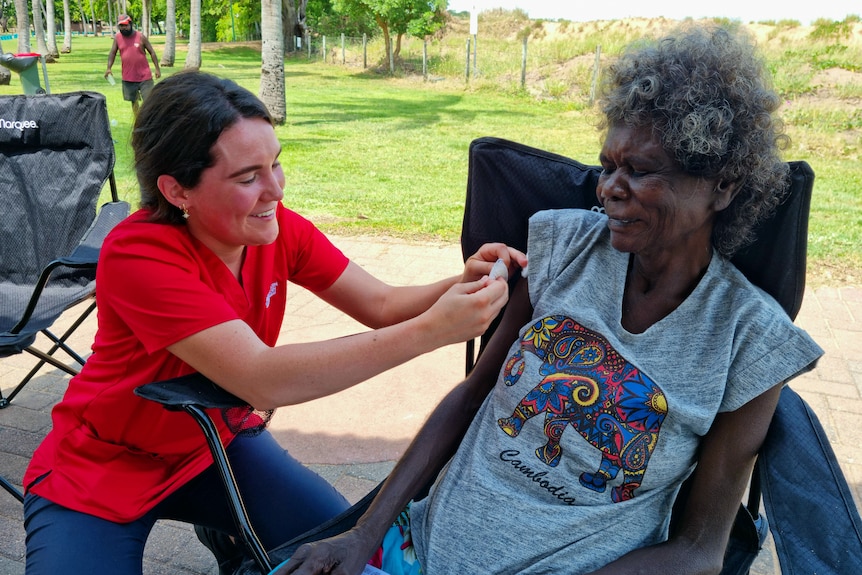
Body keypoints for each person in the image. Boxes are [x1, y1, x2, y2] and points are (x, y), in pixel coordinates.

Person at [281, 23, 824, 575]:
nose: (609, 187)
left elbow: (700, 551)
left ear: (724, 185)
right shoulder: (563, 246)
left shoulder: (750, 339)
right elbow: (473, 395)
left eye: (639, 171)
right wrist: (360, 533)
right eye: (609, 166)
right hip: (415, 548)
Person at [22, 70, 525, 575]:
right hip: (104, 465)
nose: (276, 190)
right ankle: (234, 537)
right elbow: (261, 377)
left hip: (213, 446)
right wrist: (432, 331)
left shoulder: (275, 232)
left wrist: (462, 282)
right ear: (177, 191)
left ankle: (231, 539)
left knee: (346, 550)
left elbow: (383, 303)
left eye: (275, 164)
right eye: (248, 177)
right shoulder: (139, 255)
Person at [105, 14, 161, 115]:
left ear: (130, 24)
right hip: (128, 76)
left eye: (125, 25)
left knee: (149, 101)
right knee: (134, 102)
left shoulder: (140, 37)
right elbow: (112, 52)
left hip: (145, 76)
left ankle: (149, 120)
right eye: (121, 26)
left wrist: (157, 69)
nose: (123, 28)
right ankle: (137, 121)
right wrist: (109, 68)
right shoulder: (117, 38)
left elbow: (152, 52)